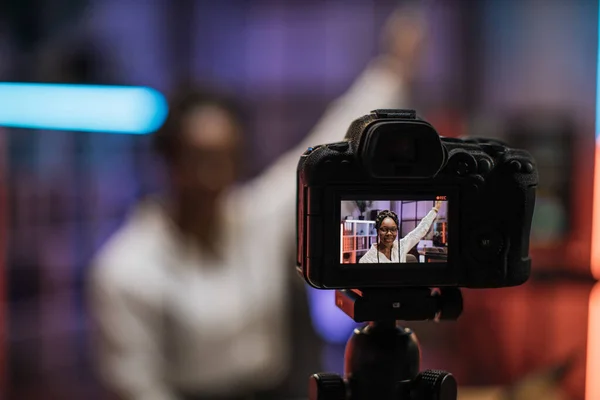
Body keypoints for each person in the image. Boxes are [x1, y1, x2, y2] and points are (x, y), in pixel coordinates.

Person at [87, 6, 426, 400]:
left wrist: (393, 67)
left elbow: (325, 145)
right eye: (200, 159)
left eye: (227, 157)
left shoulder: (252, 219)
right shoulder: (127, 265)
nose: (213, 175)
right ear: (169, 162)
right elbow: (136, 386)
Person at [359, 200, 442, 264]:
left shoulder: (401, 246)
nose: (389, 233)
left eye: (393, 229)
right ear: (377, 231)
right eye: (384, 229)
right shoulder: (366, 260)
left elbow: (419, 230)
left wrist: (435, 209)